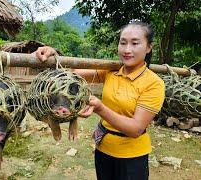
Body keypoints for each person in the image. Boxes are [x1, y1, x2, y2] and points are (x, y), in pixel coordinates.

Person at [34, 20, 165, 180]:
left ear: (149, 47)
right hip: (103, 150)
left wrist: (100, 108)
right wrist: (53, 54)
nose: (127, 49)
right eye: (122, 43)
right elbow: (72, 71)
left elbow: (135, 129)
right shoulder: (111, 71)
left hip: (132, 159)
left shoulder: (154, 83)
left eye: (135, 43)